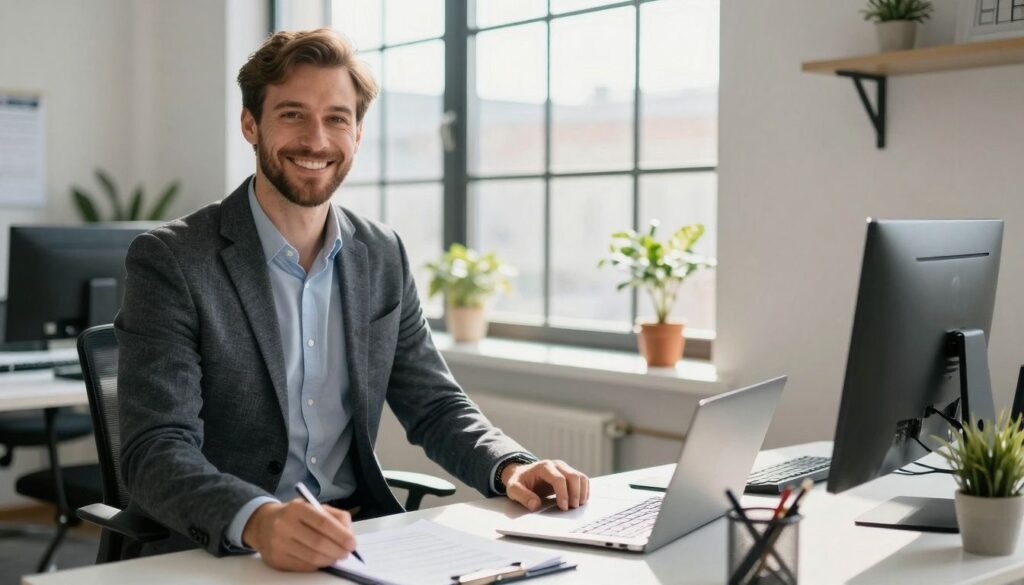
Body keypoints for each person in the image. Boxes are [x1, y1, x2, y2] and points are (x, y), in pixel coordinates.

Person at [115, 28, 589, 571]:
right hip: (228, 551)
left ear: (357, 134)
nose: (316, 140)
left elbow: (435, 404)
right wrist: (257, 518)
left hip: (360, 541)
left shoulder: (381, 253)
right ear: (251, 125)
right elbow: (156, 449)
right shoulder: (173, 259)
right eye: (292, 114)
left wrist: (511, 466)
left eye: (337, 118)